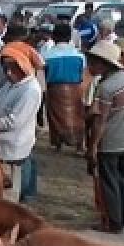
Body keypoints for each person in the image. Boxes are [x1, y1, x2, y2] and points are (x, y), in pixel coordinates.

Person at [85, 41, 124, 232]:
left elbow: (100, 121)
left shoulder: (106, 87)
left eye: (92, 63)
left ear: (103, 63)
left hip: (111, 142)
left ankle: (113, 222)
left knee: (109, 182)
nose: (89, 67)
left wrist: (93, 146)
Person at [0, 42, 43, 202]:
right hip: (0, 143)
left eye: (13, 68)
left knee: (10, 192)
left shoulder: (31, 90)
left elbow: (13, 122)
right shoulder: (11, 84)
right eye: (5, 68)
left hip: (13, 146)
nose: (8, 73)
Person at [43, 23, 87, 151]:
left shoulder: (47, 55)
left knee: (55, 117)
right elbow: (83, 74)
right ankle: (79, 145)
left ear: (54, 37)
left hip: (54, 89)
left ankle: (58, 143)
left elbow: (43, 77)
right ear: (70, 38)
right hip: (76, 89)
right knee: (78, 116)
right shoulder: (79, 56)